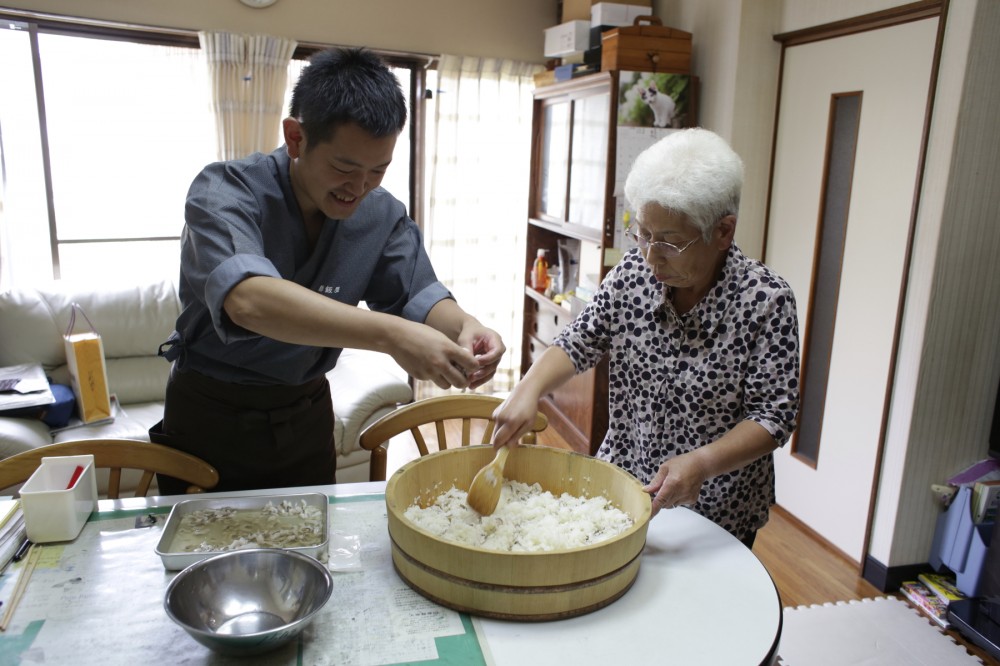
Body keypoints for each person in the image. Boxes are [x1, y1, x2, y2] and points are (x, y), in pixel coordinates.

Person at [151, 47, 504, 494]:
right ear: (296, 138)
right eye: (344, 167)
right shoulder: (224, 190)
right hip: (211, 414)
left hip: (305, 414)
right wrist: (390, 335)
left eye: (378, 170)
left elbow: (420, 295)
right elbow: (248, 300)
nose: (358, 189)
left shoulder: (380, 214)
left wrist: (466, 328)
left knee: (313, 552)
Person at [491, 128, 799, 548]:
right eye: (643, 233)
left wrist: (703, 463)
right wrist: (529, 388)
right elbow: (581, 340)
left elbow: (773, 417)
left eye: (671, 242)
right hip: (623, 484)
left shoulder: (765, 300)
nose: (651, 255)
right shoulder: (633, 272)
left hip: (716, 510)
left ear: (723, 232)